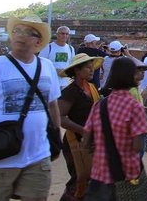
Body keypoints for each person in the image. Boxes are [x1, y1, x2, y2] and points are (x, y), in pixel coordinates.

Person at [0, 15, 61, 201]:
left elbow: (52, 104)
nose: (20, 35)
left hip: (37, 156)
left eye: (28, 32)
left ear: (38, 40)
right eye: (17, 30)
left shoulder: (47, 66)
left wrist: (56, 135)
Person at [82, 57, 147, 201]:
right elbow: (137, 146)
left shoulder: (99, 105)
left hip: (99, 173)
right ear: (131, 76)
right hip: (126, 174)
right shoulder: (135, 107)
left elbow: (85, 141)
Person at [58, 53, 103, 201]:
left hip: (91, 140)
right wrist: (83, 130)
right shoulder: (70, 92)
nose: (92, 71)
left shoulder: (91, 88)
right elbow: (60, 117)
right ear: (77, 71)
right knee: (79, 177)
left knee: (89, 177)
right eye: (87, 68)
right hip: (75, 142)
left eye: (92, 68)